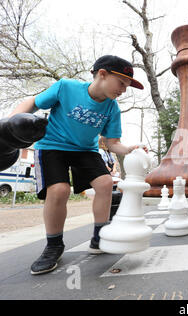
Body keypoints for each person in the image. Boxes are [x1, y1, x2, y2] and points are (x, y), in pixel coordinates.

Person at [8, 55, 147, 275]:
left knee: (104, 183)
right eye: (121, 83)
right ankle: (54, 245)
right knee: (60, 190)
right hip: (53, 145)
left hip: (85, 150)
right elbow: (33, 102)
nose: (124, 90)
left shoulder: (112, 108)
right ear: (102, 74)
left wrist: (130, 149)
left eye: (127, 86)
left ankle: (99, 236)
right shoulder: (66, 87)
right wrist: (10, 122)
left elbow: (113, 143)